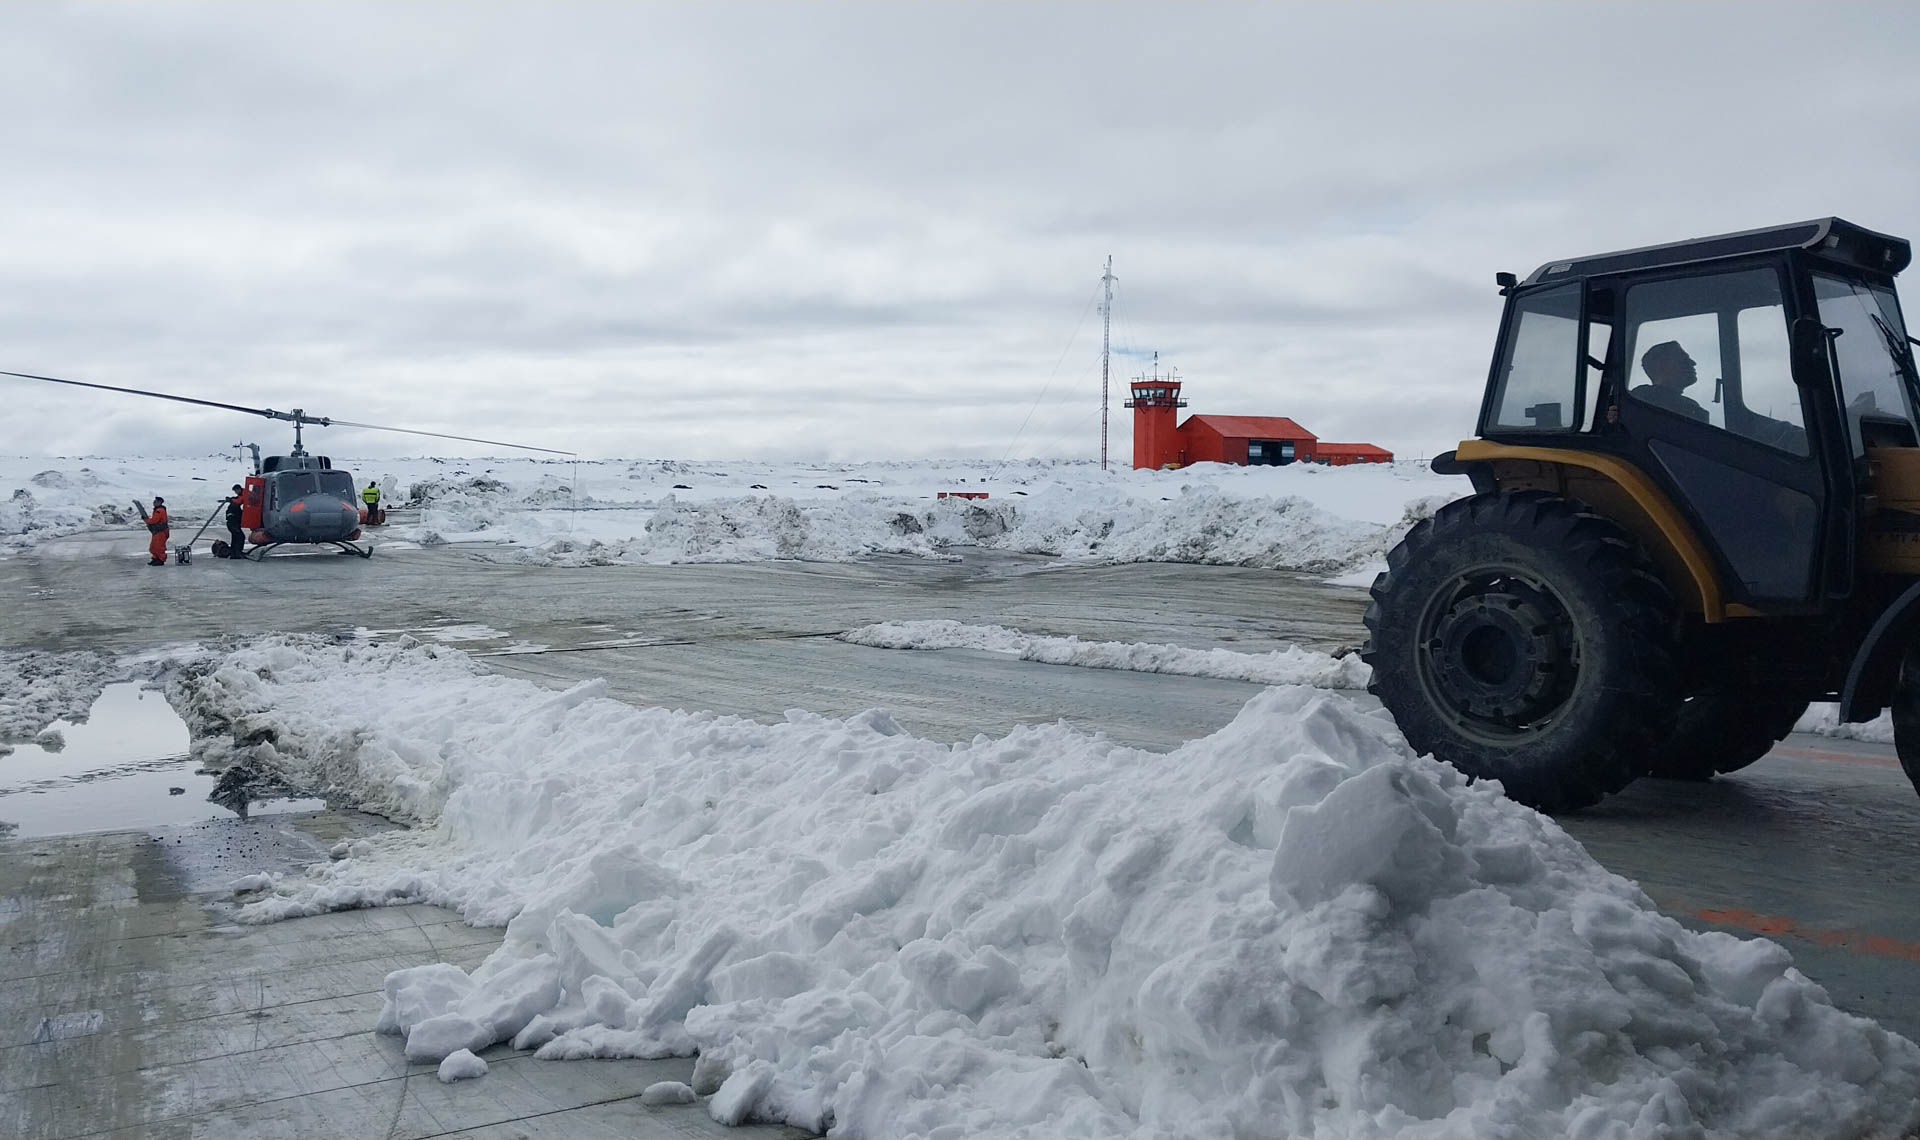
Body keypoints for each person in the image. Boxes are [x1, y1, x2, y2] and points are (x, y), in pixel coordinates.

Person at [1632, 340, 1710, 423]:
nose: (1693, 363)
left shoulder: (1691, 407)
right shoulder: (1641, 399)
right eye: (1684, 360)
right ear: (1662, 365)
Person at [143, 496, 170, 566]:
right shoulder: (157, 510)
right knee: (153, 546)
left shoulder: (159, 511)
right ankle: (155, 558)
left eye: (155, 502)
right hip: (157, 531)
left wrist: (146, 520)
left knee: (159, 546)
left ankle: (161, 559)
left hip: (161, 532)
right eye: (154, 501)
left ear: (159, 502)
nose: (154, 503)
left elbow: (154, 520)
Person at [225, 484, 247, 558]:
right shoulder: (234, 504)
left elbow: (240, 500)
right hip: (232, 523)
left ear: (239, 489)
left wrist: (231, 500)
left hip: (232, 523)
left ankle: (236, 552)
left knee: (237, 537)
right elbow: (238, 500)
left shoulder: (245, 493)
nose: (236, 492)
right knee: (238, 536)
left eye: (236, 491)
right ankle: (236, 553)